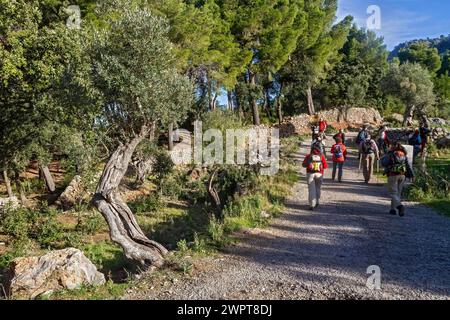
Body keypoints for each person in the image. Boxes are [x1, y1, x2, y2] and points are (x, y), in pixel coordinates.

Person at [381, 142, 414, 216]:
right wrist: (412, 175)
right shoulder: (404, 154)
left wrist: (386, 155)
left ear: (393, 147)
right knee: (397, 193)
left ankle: (400, 206)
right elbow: (408, 166)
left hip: (393, 175)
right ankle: (392, 209)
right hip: (402, 175)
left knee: (392, 193)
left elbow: (383, 163)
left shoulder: (391, 154)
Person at [302, 144, 328, 211]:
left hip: (310, 174)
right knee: (318, 188)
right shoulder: (322, 156)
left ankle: (311, 205)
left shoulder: (308, 156)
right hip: (319, 174)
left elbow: (303, 165)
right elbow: (325, 166)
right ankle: (317, 202)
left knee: (311, 189)